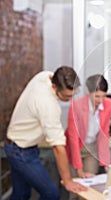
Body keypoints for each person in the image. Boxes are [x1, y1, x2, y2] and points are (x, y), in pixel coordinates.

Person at [4, 66, 87, 199]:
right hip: (21, 152)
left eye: (73, 94)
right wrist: (67, 181)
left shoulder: (44, 76)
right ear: (54, 87)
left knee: (21, 194)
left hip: (15, 144)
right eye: (66, 96)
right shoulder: (47, 105)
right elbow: (58, 148)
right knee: (51, 194)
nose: (70, 99)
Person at [65, 74, 111, 178]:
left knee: (90, 185)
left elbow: (104, 134)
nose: (100, 100)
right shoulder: (76, 105)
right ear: (88, 92)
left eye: (104, 96)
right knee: (75, 186)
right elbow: (73, 138)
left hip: (92, 149)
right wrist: (79, 169)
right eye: (97, 96)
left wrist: (106, 162)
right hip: (75, 148)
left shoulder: (108, 104)